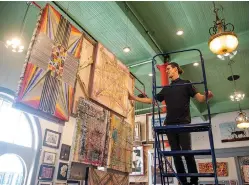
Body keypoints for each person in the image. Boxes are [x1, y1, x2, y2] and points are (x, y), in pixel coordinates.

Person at [128, 62, 213, 185]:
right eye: (166, 69)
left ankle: (194, 180)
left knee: (187, 151)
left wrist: (207, 96)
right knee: (175, 154)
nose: (166, 71)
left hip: (183, 123)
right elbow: (152, 100)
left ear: (175, 69)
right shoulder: (166, 88)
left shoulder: (186, 83)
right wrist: (134, 98)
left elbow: (200, 98)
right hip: (169, 124)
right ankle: (182, 181)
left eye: (168, 69)